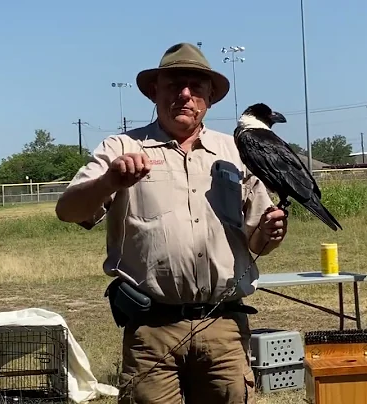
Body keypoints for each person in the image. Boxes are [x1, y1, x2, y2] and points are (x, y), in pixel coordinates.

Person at [55, 42, 288, 404]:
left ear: (210, 97)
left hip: (223, 329)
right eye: (173, 85)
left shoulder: (237, 152)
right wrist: (109, 182)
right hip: (151, 331)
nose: (185, 95)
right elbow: (67, 210)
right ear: (153, 92)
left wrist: (272, 231)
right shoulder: (122, 148)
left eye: (196, 87)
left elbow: (259, 242)